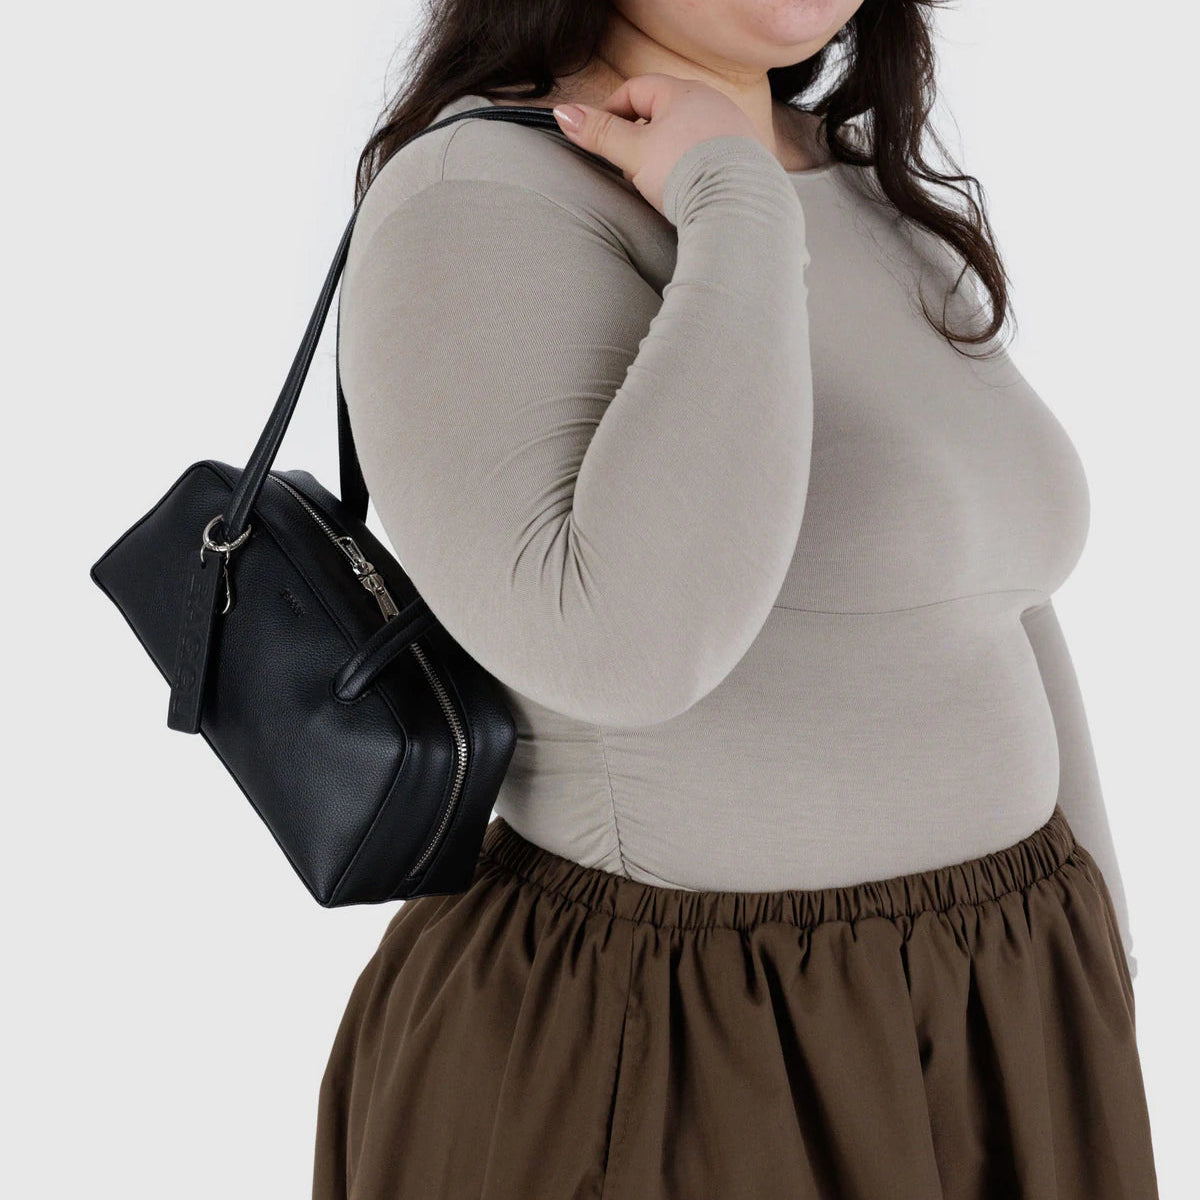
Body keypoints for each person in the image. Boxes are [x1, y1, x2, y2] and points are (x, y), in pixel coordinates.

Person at [312, 2, 1159, 1197]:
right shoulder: (478, 194)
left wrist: (1094, 981)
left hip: (1001, 1005)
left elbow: (1001, 597)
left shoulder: (860, 181)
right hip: (678, 1048)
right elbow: (623, 645)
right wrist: (732, 207)